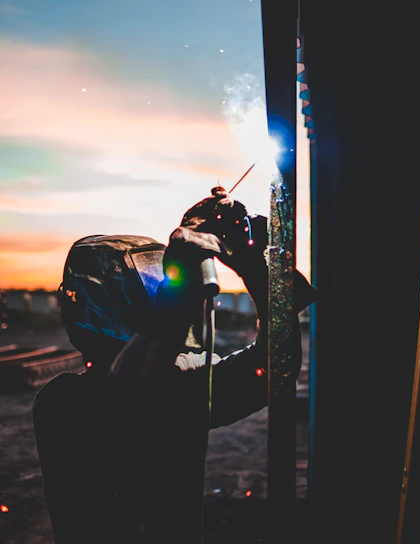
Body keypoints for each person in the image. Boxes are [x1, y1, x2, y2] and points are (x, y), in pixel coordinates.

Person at [32, 188, 316, 544]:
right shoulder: (62, 404)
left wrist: (254, 270)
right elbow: (125, 396)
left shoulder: (180, 385)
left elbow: (275, 367)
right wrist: (181, 285)